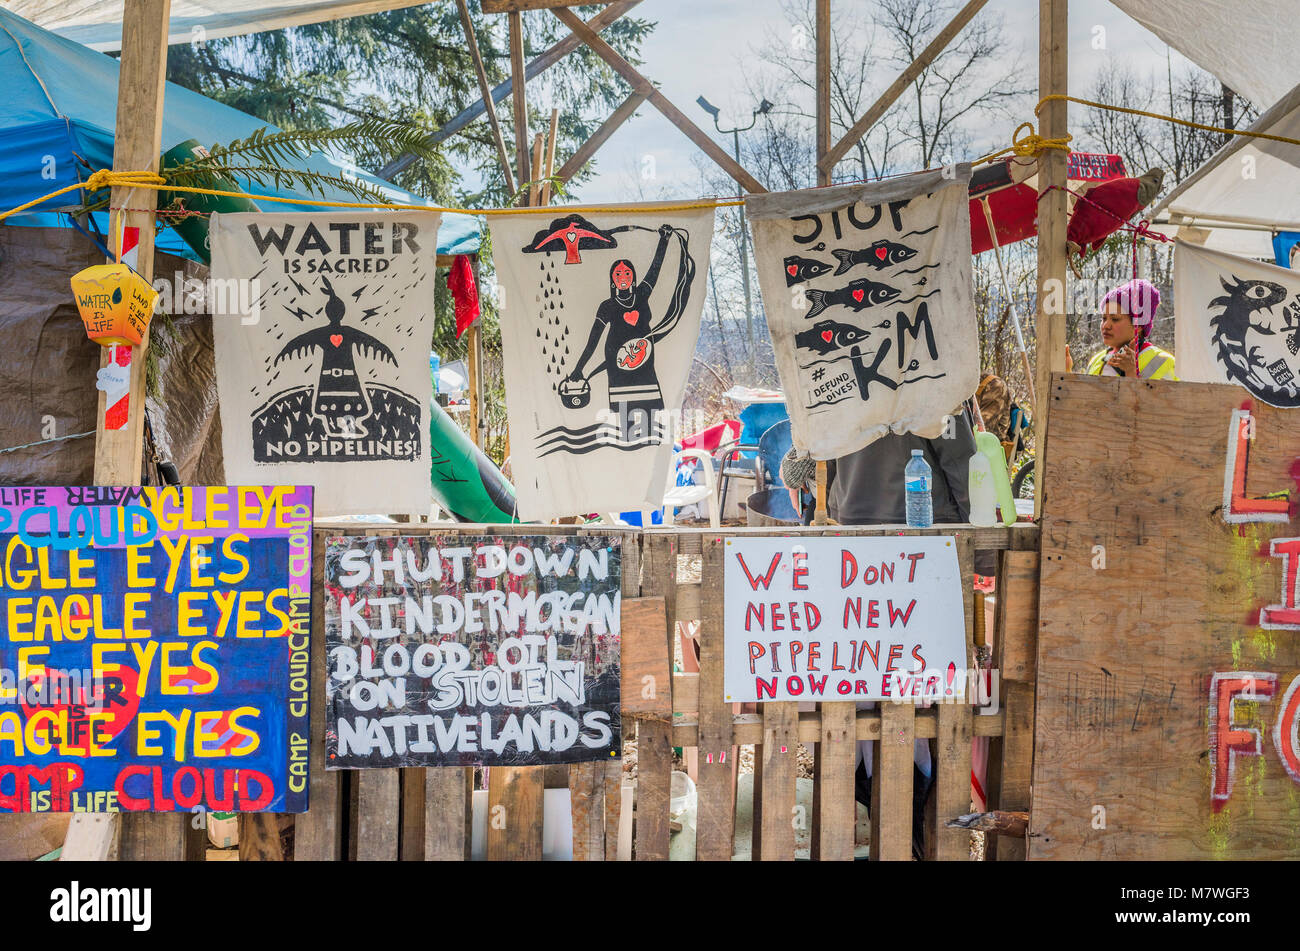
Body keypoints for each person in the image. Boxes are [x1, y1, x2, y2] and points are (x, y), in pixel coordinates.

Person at [1066, 278, 1178, 380]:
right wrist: (1067, 373)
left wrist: (1131, 374)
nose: (1105, 325)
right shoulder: (1097, 361)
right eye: (1104, 318)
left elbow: (1166, 401)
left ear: (1138, 326)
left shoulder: (1164, 362)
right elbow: (1083, 399)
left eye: (1115, 319)